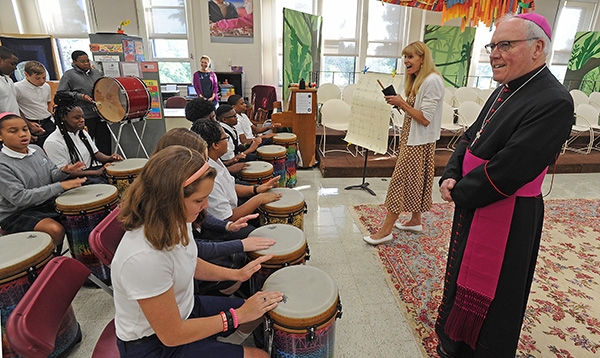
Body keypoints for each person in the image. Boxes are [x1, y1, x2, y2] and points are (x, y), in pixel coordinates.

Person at [434, 13, 573, 358]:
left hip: (508, 212)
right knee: (460, 271)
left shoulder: (554, 100)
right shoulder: (505, 88)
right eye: (493, 45)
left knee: (497, 295)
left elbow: (510, 169)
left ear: (538, 48)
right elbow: (470, 135)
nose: (494, 53)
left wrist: (460, 192)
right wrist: (452, 172)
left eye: (505, 45)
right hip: (475, 196)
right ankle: (454, 339)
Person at [112, 145, 283, 357]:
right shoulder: (144, 258)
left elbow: (189, 260)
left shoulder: (178, 218)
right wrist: (236, 316)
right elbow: (172, 335)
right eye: (199, 200)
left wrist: (236, 275)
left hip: (187, 308)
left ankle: (225, 343)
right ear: (171, 199)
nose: (206, 206)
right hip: (154, 345)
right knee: (261, 356)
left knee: (260, 312)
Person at [152, 128, 276, 295]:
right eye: (203, 159)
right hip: (186, 296)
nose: (206, 163)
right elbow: (193, 251)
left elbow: (203, 219)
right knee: (242, 254)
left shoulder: (177, 198)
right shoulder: (162, 222)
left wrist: (228, 227)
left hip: (191, 264)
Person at [363, 41, 444, 245]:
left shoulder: (432, 81)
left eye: (411, 57)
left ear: (423, 58)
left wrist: (401, 103)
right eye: (404, 57)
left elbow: (425, 118)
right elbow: (417, 113)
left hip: (418, 142)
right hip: (416, 138)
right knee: (418, 179)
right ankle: (415, 220)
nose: (406, 61)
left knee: (399, 182)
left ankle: (386, 230)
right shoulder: (421, 79)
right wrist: (401, 105)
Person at [0, 112, 86, 252]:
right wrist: (60, 186)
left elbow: (51, 175)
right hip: (16, 213)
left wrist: (64, 171)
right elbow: (20, 198)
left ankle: (82, 256)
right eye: (13, 131)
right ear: (0, 136)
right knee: (55, 230)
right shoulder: (2, 164)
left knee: (80, 212)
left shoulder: (37, 150)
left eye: (25, 129)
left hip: (44, 202)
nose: (22, 134)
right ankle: (51, 264)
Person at [190, 118, 281, 224]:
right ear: (215, 145)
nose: (227, 141)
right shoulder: (208, 177)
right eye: (226, 138)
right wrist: (259, 199)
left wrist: (256, 189)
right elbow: (228, 219)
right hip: (224, 227)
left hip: (233, 208)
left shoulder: (214, 160)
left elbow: (230, 187)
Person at [44, 92, 123, 184]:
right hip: (72, 181)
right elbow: (63, 174)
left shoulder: (82, 133)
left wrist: (110, 158)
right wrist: (96, 172)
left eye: (82, 117)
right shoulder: (53, 142)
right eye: (77, 118)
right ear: (63, 117)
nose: (82, 120)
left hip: (89, 173)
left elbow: (96, 154)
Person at [57, 50, 110, 155]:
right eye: (82, 61)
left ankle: (106, 163)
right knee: (87, 142)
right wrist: (80, 96)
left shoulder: (95, 73)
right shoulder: (69, 75)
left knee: (104, 141)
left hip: (100, 113)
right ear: (75, 62)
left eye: (87, 61)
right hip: (83, 115)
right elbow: (61, 93)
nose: (86, 64)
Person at [15, 60, 56, 147]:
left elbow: (48, 103)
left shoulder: (46, 86)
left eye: (44, 77)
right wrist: (28, 124)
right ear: (26, 75)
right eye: (37, 78)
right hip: (30, 122)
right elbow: (15, 108)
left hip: (48, 121)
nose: (41, 81)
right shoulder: (17, 88)